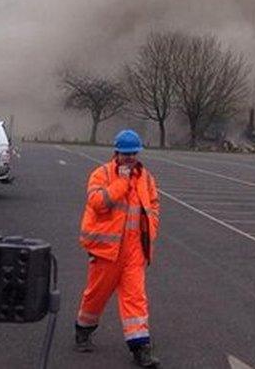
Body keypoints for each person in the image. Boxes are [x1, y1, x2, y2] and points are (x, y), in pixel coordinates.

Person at [74, 129, 161, 367]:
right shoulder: (101, 174)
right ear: (116, 153)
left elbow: (153, 204)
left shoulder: (146, 178)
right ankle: (83, 330)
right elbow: (98, 203)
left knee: (136, 298)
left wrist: (152, 228)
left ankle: (140, 348)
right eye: (125, 154)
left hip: (134, 251)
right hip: (106, 251)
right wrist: (122, 182)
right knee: (95, 296)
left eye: (133, 153)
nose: (130, 158)